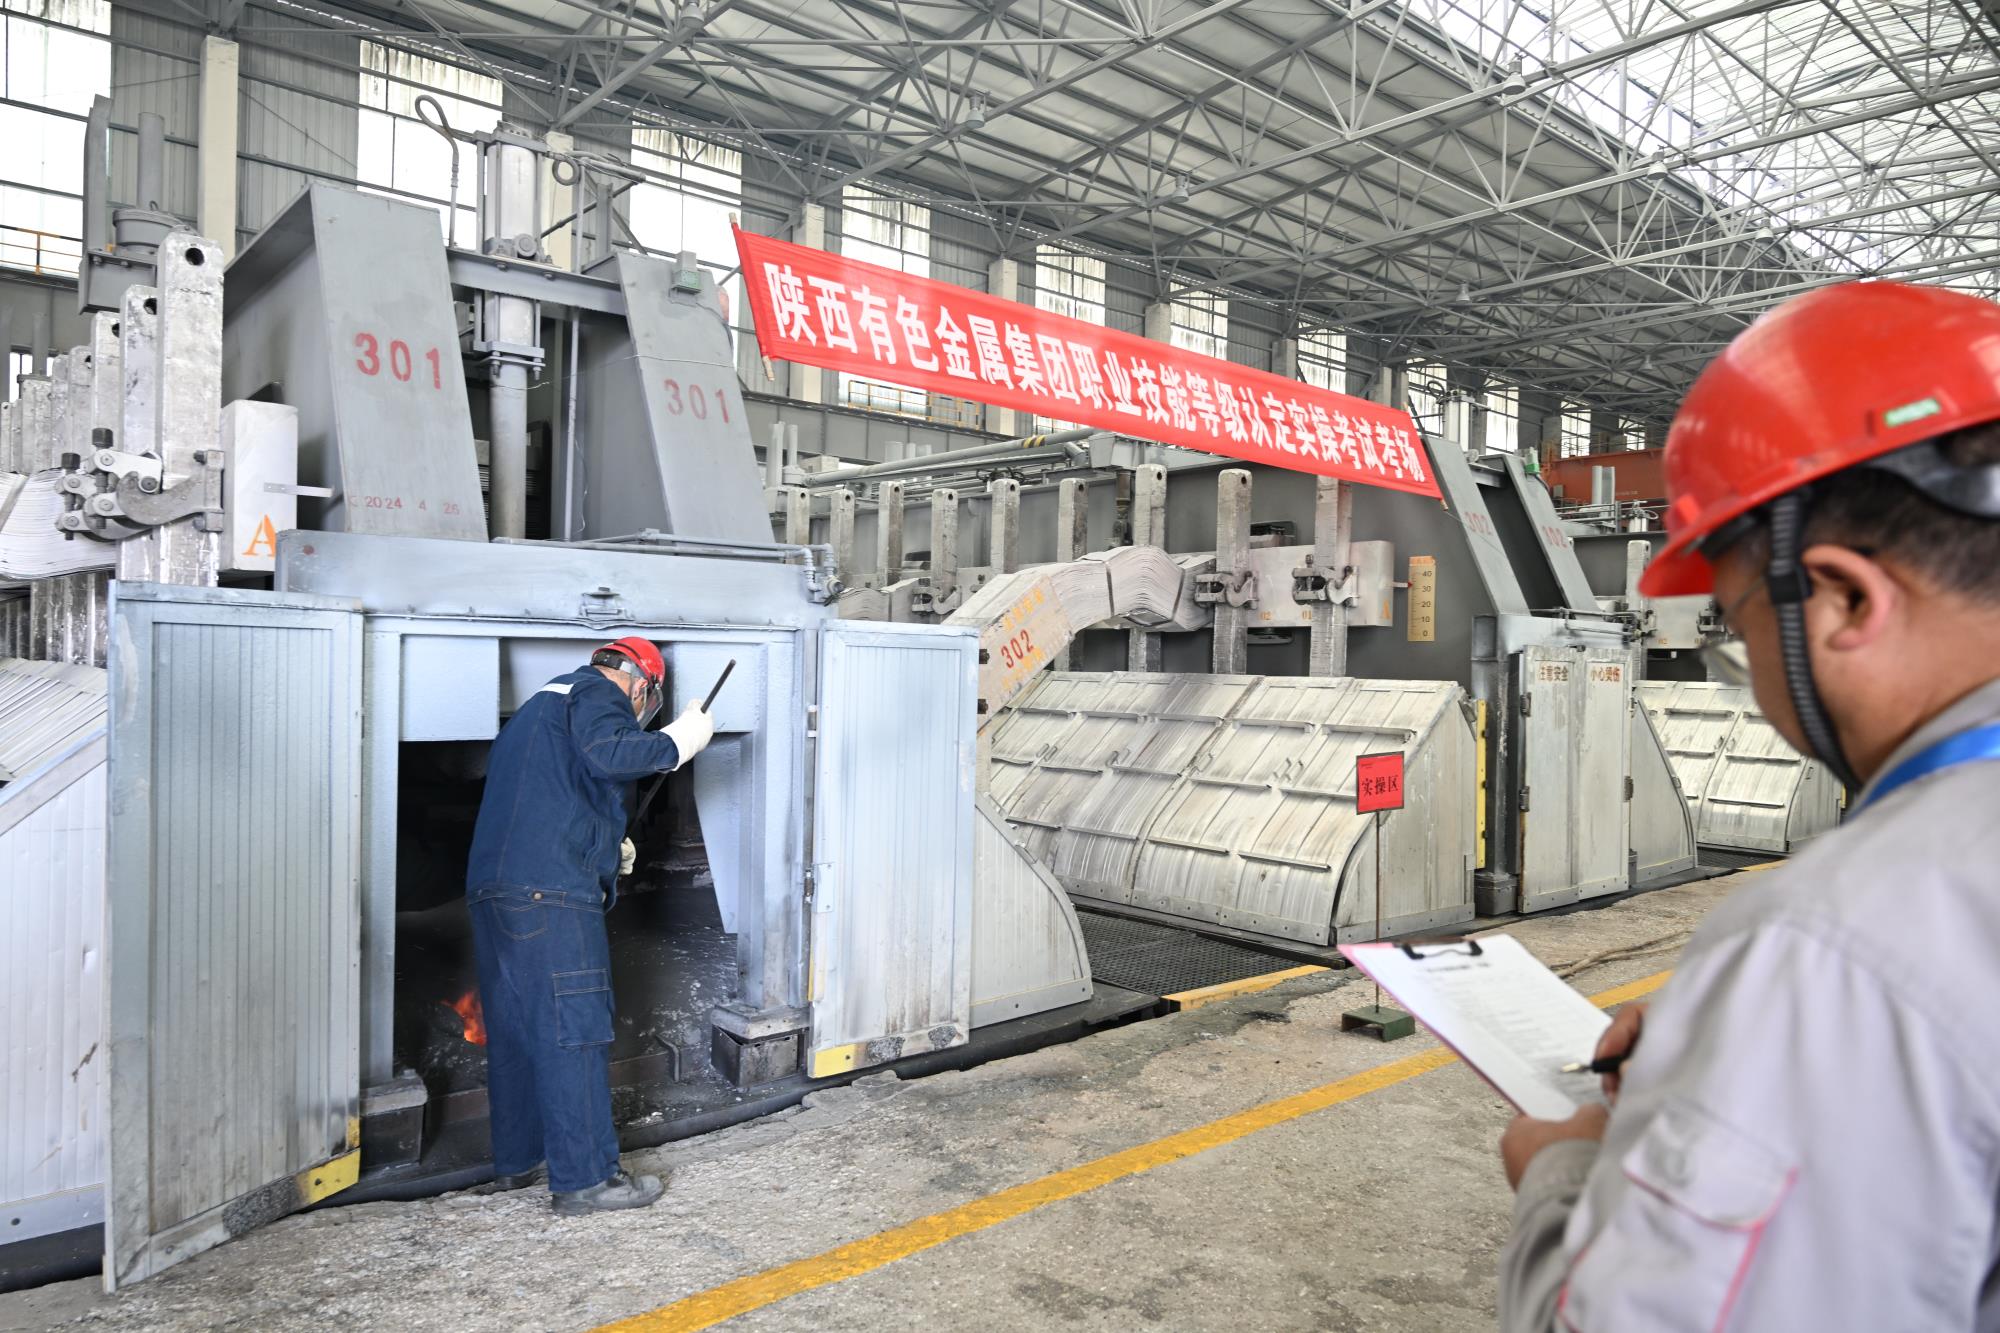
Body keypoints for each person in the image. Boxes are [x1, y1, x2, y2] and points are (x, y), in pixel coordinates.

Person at [1496, 280, 2000, 1328]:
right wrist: (1732, 1045)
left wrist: (1560, 1173)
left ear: (1842, 597)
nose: (1746, 672)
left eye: (1732, 624)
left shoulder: (1839, 937)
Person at [464, 635, 715, 1215]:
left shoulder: (537, 708)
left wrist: (605, 844)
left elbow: (560, 793)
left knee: (517, 1031)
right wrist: (679, 740)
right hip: (550, 893)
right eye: (645, 704)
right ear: (639, 684)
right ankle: (586, 1179)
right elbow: (612, 753)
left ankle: (519, 1160)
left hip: (496, 892)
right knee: (574, 1028)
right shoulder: (597, 692)